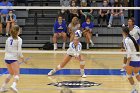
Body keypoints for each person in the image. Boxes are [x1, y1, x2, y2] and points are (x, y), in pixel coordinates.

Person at [0, 25, 24, 93]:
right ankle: (14, 85)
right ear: (17, 31)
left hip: (6, 58)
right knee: (17, 74)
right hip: (13, 58)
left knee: (11, 73)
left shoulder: (8, 39)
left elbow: (6, 49)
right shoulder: (19, 39)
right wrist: (22, 57)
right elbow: (19, 51)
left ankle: (2, 88)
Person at [122, 27, 140, 93]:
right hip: (138, 59)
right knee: (137, 74)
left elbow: (129, 52)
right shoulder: (133, 37)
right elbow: (136, 47)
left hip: (132, 60)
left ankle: (134, 90)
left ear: (124, 32)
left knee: (129, 76)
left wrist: (127, 64)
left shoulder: (126, 40)